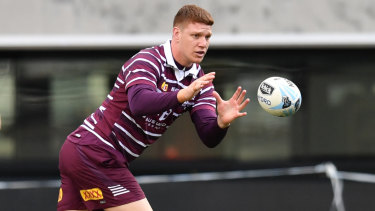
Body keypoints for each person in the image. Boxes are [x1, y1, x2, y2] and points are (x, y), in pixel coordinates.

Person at [57, 4, 250, 211]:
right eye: (195, 36)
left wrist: (221, 123)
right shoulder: (147, 61)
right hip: (96, 150)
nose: (203, 44)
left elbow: (208, 136)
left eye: (207, 37)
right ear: (177, 33)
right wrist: (181, 95)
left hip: (85, 153)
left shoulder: (200, 82)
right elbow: (139, 103)